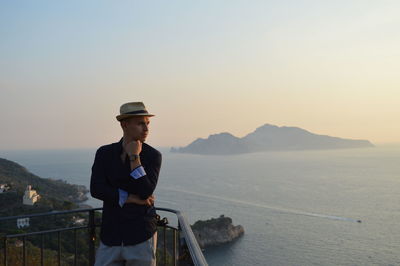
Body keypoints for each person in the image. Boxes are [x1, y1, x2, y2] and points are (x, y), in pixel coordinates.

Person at [90, 102, 162, 266]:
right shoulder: (104, 153)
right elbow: (96, 189)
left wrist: (134, 157)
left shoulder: (152, 155)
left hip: (141, 235)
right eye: (140, 123)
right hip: (111, 235)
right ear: (124, 124)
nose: (146, 129)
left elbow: (145, 191)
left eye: (147, 123)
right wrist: (128, 197)